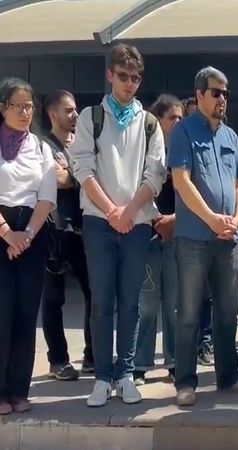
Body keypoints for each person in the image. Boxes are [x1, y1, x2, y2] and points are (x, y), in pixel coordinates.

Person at [69, 43, 167, 407]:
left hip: (137, 224)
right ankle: (102, 377)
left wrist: (128, 213)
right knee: (101, 301)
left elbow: (155, 174)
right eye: (123, 76)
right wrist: (112, 210)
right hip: (99, 222)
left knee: (130, 302)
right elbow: (82, 169)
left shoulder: (149, 123)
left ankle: (125, 374)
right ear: (110, 75)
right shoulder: (91, 117)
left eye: (135, 78)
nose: (129, 84)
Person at [169, 67, 238, 407]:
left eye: (226, 93)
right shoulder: (183, 131)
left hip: (227, 239)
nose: (223, 98)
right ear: (200, 94)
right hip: (193, 238)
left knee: (226, 313)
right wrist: (211, 219)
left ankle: (229, 377)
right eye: (216, 92)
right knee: (189, 314)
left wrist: (236, 219)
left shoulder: (231, 136)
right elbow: (181, 180)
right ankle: (185, 382)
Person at [0, 78, 57, 414]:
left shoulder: (41, 147)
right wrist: (8, 233)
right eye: (17, 106)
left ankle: (19, 390)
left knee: (25, 312)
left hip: (33, 232)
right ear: (2, 108)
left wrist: (27, 236)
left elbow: (47, 196)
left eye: (29, 106)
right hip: (2, 229)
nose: (24, 112)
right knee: (2, 312)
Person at [40, 90, 94, 380]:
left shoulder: (83, 143)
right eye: (69, 110)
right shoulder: (42, 146)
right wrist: (80, 176)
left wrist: (71, 174)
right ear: (53, 114)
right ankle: (58, 360)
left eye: (75, 109)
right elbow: (55, 179)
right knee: (53, 298)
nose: (75, 115)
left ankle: (92, 356)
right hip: (55, 230)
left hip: (86, 229)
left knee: (94, 293)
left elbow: (90, 176)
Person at [133, 94, 183, 386]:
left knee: (174, 305)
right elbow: (136, 190)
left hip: (177, 236)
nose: (177, 122)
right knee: (148, 304)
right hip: (149, 235)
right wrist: (156, 220)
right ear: (158, 120)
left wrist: (174, 220)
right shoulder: (143, 151)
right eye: (171, 118)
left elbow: (191, 193)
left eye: (180, 118)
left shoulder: (184, 150)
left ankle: (175, 362)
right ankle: (139, 364)